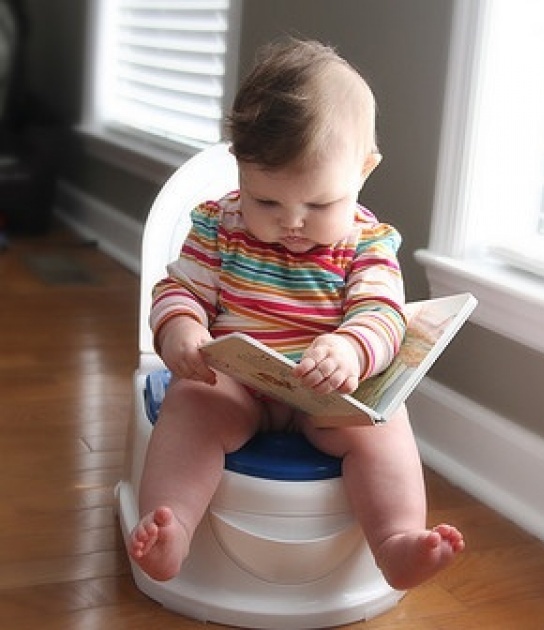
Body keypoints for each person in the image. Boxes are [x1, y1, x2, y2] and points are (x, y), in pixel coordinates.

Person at [126, 38, 464, 590]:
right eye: (267, 202)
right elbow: (180, 289)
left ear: (364, 169)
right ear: (240, 170)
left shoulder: (367, 245)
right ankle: (173, 529)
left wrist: (351, 349)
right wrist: (182, 330)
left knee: (382, 429)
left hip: (324, 396)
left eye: (319, 205)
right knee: (190, 406)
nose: (293, 222)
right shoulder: (218, 227)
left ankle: (397, 541)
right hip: (233, 385)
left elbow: (382, 312)